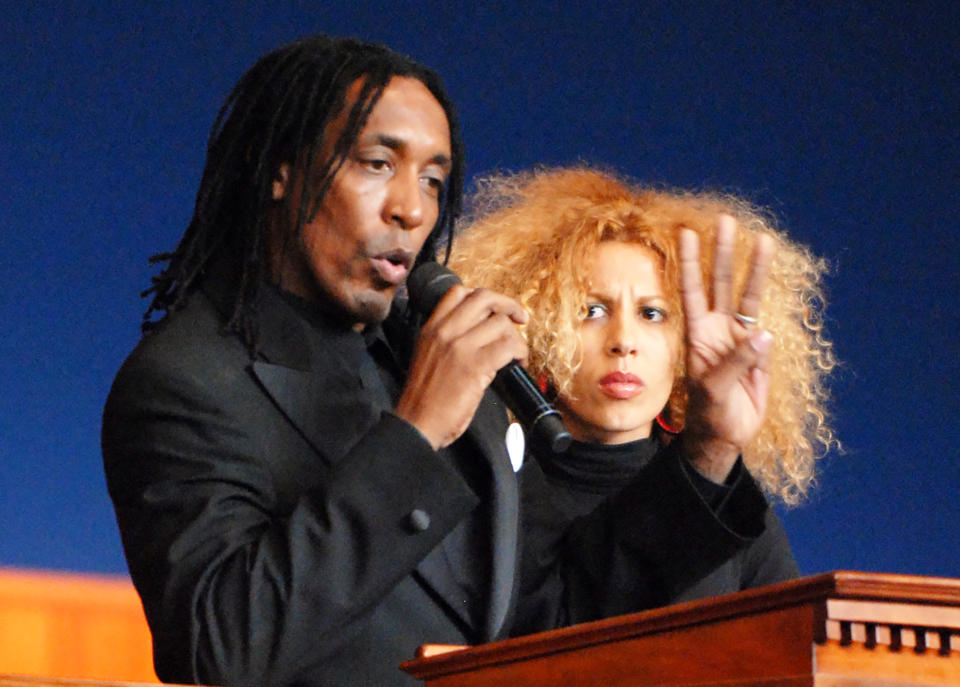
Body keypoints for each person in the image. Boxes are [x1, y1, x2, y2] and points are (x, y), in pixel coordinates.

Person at [102, 35, 531, 687]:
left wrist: (703, 458)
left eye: (434, 180)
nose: (412, 208)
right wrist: (415, 433)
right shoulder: (183, 382)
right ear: (280, 167)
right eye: (377, 163)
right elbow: (219, 648)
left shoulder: (427, 354)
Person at [448, 167, 837, 631]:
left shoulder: (726, 505)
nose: (623, 341)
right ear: (539, 329)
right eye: (591, 311)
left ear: (682, 345)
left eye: (652, 314)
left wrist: (711, 448)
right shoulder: (492, 493)